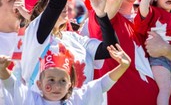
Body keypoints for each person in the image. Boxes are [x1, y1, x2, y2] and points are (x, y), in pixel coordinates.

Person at [0, 42, 131, 105]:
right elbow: (11, 85)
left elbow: (102, 85)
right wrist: (2, 69)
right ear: (39, 84)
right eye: (51, 80)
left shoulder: (76, 99)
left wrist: (123, 66)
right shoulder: (31, 100)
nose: (57, 86)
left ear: (70, 85)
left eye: (62, 81)